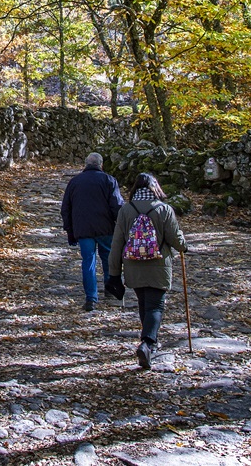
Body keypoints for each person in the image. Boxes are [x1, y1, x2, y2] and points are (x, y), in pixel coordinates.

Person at [106, 172, 187, 369]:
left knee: (144, 304)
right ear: (155, 187)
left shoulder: (126, 210)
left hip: (133, 267)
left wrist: (114, 273)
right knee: (156, 306)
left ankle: (149, 343)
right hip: (159, 266)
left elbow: (117, 243)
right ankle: (148, 343)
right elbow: (175, 239)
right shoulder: (164, 209)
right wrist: (184, 245)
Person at [61, 152, 124, 312]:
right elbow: (117, 205)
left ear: (86, 164)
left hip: (83, 230)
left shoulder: (74, 182)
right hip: (106, 228)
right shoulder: (109, 180)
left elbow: (66, 209)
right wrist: (121, 225)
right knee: (108, 260)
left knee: (88, 262)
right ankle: (110, 291)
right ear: (101, 165)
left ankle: (91, 298)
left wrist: (70, 230)